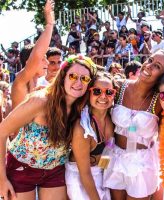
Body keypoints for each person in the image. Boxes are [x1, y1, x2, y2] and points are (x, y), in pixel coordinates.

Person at [0, 54, 97, 200]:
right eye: (73, 76)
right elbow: (2, 132)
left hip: (54, 171)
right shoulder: (40, 101)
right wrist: (2, 180)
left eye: (84, 79)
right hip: (21, 168)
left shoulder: (81, 110)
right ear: (63, 77)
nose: (78, 82)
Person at [103, 49, 164, 200]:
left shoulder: (159, 100)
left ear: (163, 76)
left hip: (141, 164)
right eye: (150, 60)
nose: (149, 66)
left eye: (157, 66)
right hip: (114, 157)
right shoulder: (119, 87)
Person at [65, 72, 114, 200]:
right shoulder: (82, 128)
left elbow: (108, 152)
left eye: (109, 92)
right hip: (79, 180)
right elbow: (84, 173)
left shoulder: (110, 119)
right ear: (89, 93)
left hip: (99, 174)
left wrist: (103, 173)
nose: (103, 96)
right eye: (97, 91)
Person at [11, 0, 54, 109]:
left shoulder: (42, 87)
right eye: (43, 59)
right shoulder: (20, 81)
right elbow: (37, 54)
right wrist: (49, 24)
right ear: (28, 62)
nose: (47, 62)